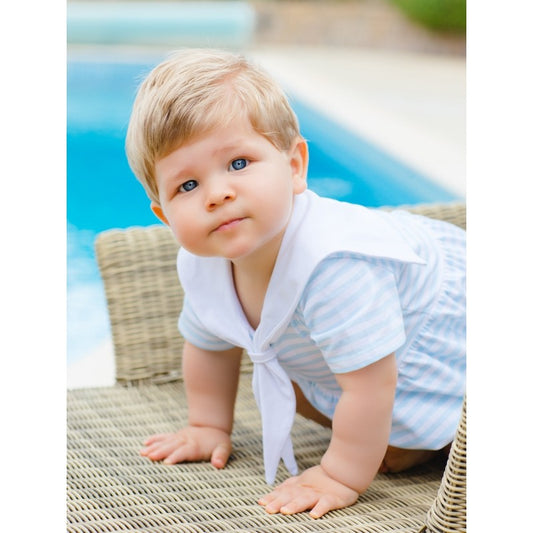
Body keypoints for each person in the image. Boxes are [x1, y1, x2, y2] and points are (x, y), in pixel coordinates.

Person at [125, 48, 466, 519]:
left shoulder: (333, 265)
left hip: (444, 338)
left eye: (238, 163)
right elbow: (208, 346)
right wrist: (207, 426)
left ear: (294, 167)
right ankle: (407, 440)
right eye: (187, 186)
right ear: (164, 216)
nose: (217, 194)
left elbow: (372, 385)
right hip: (362, 367)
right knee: (292, 378)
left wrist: (340, 474)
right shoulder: (202, 264)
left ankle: (425, 439)